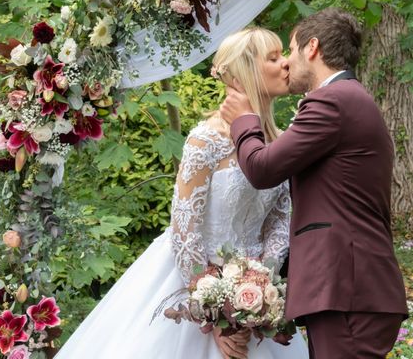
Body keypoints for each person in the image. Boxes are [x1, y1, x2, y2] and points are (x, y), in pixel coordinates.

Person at [55, 28, 309, 359]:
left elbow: (279, 223)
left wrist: (261, 288)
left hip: (255, 290)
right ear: (247, 71)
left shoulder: (279, 144)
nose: (287, 63)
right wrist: (215, 312)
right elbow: (185, 231)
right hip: (194, 282)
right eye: (274, 58)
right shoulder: (205, 140)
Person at [221, 8, 409, 359]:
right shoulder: (349, 99)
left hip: (348, 290)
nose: (288, 63)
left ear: (312, 47)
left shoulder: (332, 102)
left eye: (290, 51)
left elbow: (262, 170)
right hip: (351, 289)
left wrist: (245, 120)